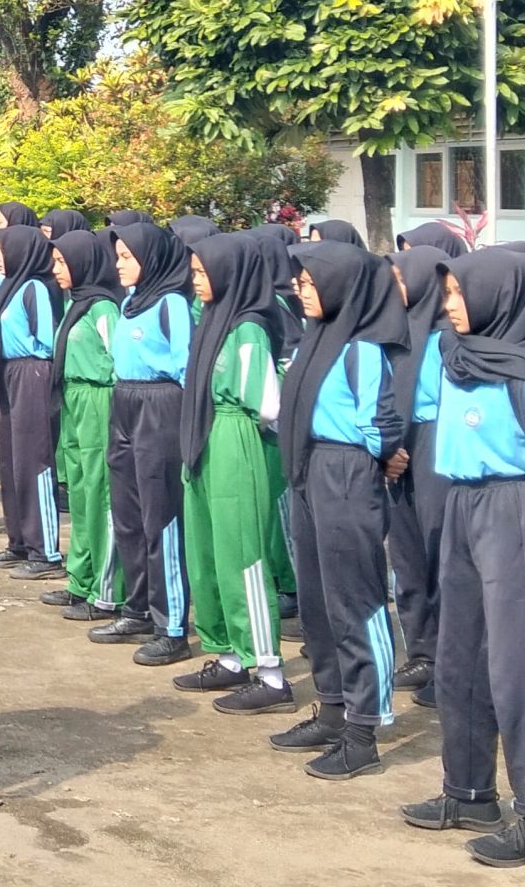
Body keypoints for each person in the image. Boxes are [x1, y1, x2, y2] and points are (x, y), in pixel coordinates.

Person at [398, 250, 525, 869]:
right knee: (459, 656)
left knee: (516, 665)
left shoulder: (520, 371)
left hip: (510, 509)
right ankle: (469, 791)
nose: (449, 304)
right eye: (447, 293)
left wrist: (518, 503)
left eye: (458, 294)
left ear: (495, 297)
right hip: (460, 506)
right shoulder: (459, 359)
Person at [269, 242, 408, 778]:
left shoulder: (361, 348)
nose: (299, 290)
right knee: (317, 598)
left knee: (355, 598)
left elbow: (380, 422)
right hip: (309, 468)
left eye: (308, 281)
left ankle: (364, 727)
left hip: (345, 471)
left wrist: (380, 456)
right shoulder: (317, 339)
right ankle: (331, 707)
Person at [169, 233, 292, 715]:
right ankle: (228, 654)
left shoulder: (248, 328)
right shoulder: (212, 319)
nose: (195, 280)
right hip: (204, 436)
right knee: (207, 551)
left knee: (243, 552)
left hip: (235, 436)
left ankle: (269, 670)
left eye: (202, 272)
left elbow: (266, 404)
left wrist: (231, 429)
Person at [97, 221, 197, 666]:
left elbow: (185, 368)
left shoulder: (171, 303)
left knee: (161, 517)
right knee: (127, 513)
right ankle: (135, 607)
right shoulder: (132, 301)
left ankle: (171, 625)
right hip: (124, 401)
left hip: (160, 405)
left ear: (150, 259)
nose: (119, 265)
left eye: (126, 257)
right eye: (117, 257)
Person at [384, 245, 454, 705]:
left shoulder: (449, 338)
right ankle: (422, 649)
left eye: (403, 280)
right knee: (406, 552)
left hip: (436, 443)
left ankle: (450, 660)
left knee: (439, 550)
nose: (397, 289)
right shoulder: (397, 331)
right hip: (399, 446)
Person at [48, 230, 122, 621]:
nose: (56, 269)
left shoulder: (103, 309)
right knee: (77, 490)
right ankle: (80, 577)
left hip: (98, 399)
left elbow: (118, 360)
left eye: (62, 262)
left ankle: (106, 590)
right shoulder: (76, 304)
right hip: (74, 399)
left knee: (100, 491)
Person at [0, 223, 61, 565]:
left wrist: (31, 370)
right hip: (9, 372)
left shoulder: (35, 289)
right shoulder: (10, 287)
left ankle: (44, 550)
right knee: (11, 460)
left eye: (2, 251)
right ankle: (18, 541)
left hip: (32, 371)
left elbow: (47, 340)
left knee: (34, 460)